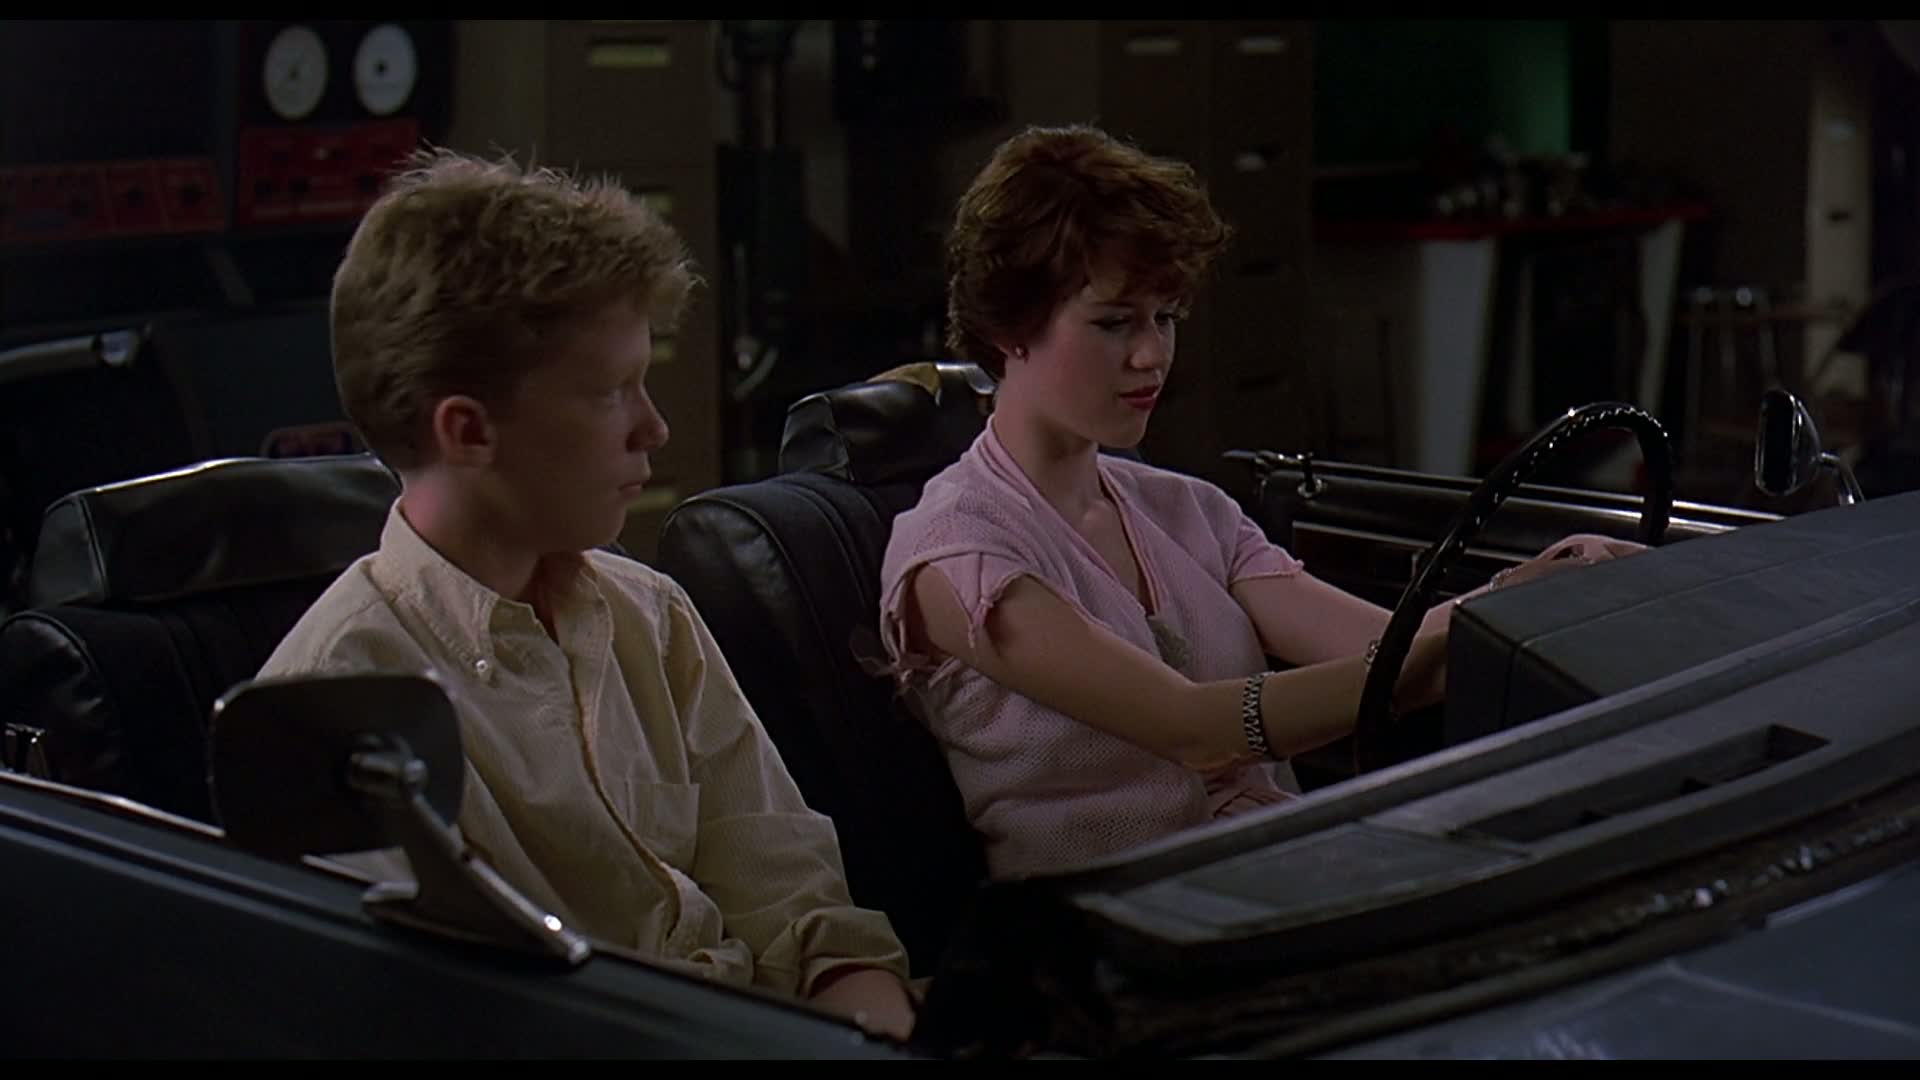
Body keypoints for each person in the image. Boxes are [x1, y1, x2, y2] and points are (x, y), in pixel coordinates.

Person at [258, 148, 918, 1040]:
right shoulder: (338, 707)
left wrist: (872, 1029)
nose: (656, 427)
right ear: (469, 430)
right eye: (612, 393)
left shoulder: (651, 613)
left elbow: (798, 905)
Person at [878, 124, 1642, 880]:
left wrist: (1545, 591)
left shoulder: (1187, 509)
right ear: (1009, 327)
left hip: (1277, 870)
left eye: (1165, 317)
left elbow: (1388, 652)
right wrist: (1488, 617)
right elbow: (1191, 728)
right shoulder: (959, 556)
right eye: (1114, 323)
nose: (1152, 355)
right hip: (1109, 924)